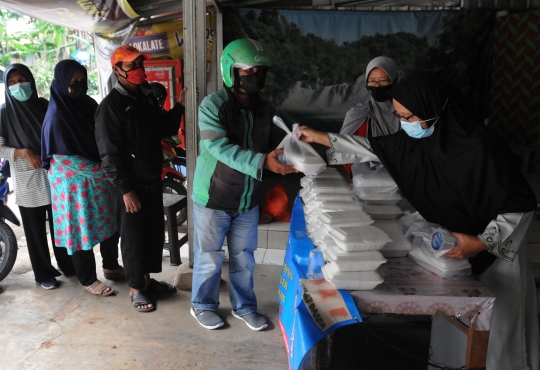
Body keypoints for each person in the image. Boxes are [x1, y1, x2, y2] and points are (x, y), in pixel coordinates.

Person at [298, 71, 539, 370]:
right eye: (399, 116)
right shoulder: (420, 142)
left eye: (408, 116)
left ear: (432, 111)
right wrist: (320, 137)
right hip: (455, 247)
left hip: (498, 253)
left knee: (498, 329)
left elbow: (521, 205)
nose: (403, 124)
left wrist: (479, 242)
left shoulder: (481, 149)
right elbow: (376, 147)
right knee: (454, 326)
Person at [190, 38, 295, 331]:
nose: (255, 77)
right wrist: (264, 162)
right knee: (210, 257)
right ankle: (202, 305)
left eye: (260, 71)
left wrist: (298, 151)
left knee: (244, 259)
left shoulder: (266, 109)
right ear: (231, 71)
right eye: (248, 70)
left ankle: (244, 306)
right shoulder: (213, 106)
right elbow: (218, 148)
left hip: (248, 200)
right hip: (214, 197)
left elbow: (280, 142)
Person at [95, 45, 185, 312]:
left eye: (139, 65)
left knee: (152, 234)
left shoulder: (145, 99)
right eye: (131, 66)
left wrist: (179, 105)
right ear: (117, 70)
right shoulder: (111, 107)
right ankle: (135, 288)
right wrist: (124, 189)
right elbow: (109, 154)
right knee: (133, 237)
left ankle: (145, 280)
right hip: (128, 185)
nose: (138, 70)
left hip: (150, 178)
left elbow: (165, 128)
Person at [41, 59, 124, 296]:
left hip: (99, 182)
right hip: (74, 188)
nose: (78, 86)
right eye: (72, 82)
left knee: (111, 224)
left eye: (82, 81)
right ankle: (87, 278)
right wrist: (108, 170)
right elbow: (67, 160)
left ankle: (110, 265)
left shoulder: (88, 104)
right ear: (60, 83)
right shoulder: (57, 116)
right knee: (81, 231)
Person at [0, 63, 74, 290]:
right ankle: (43, 273)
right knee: (34, 231)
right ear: (6, 86)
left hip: (54, 175)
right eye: (12, 82)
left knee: (60, 224)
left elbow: (60, 133)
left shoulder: (45, 105)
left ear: (31, 81)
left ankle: (68, 265)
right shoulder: (4, 113)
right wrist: (23, 152)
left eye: (22, 79)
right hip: (26, 179)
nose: (18, 85)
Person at [339, 56, 400, 177]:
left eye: (383, 80)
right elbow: (343, 150)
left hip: (407, 180)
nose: (377, 86)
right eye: (372, 81)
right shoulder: (358, 115)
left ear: (394, 80)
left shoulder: (409, 114)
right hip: (368, 184)